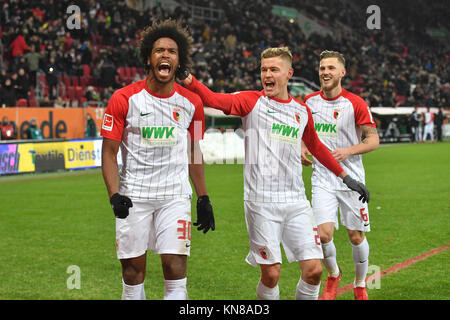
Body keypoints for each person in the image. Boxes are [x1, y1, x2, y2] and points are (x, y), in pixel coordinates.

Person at [182, 47, 370, 300]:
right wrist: (189, 80)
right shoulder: (251, 102)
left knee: (314, 271)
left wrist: (346, 178)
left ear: (289, 73)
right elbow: (213, 99)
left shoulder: (301, 111)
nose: (267, 75)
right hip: (261, 203)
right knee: (271, 275)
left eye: (273, 70)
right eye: (263, 70)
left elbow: (317, 147)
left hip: (296, 202)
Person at [101, 19, 215, 301]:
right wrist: (114, 195)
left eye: (172, 51)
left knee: (175, 268)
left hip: (174, 195)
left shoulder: (193, 104)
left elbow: (194, 150)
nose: (165, 55)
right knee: (132, 273)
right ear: (148, 59)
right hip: (134, 195)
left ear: (179, 61)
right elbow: (108, 152)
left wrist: (203, 197)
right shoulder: (123, 99)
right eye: (159, 50)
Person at [302, 50, 379, 300]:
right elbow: (304, 134)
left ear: (342, 73)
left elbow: (373, 139)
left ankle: (360, 284)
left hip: (352, 180)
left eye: (331, 68)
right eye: (322, 68)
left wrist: (349, 150)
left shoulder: (355, 103)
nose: (325, 72)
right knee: (322, 234)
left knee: (356, 236)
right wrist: (303, 149)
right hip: (323, 178)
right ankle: (334, 275)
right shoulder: (309, 102)